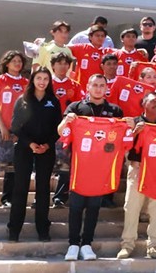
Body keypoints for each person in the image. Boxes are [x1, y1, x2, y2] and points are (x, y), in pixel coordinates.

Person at [58, 74, 128, 261]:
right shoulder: (76, 107)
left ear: (107, 88)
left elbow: (123, 137)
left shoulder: (115, 110)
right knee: (75, 206)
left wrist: (129, 126)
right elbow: (61, 132)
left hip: (102, 168)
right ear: (87, 87)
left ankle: (87, 244)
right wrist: (67, 121)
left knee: (94, 207)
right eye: (94, 85)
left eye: (102, 85)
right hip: (79, 165)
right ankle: (73, 244)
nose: (98, 88)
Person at [117, 92, 156, 259]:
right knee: (131, 207)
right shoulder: (133, 122)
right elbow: (121, 146)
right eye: (153, 101)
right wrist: (134, 133)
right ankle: (127, 244)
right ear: (143, 103)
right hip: (137, 170)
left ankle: (154, 245)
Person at [7, 68, 61, 242]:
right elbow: (15, 127)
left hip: (46, 149)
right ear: (32, 80)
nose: (42, 82)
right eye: (39, 78)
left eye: (46, 78)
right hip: (24, 148)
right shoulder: (23, 100)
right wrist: (30, 144)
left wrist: (47, 144)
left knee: (43, 189)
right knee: (20, 188)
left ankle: (43, 230)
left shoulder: (53, 101)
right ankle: (14, 230)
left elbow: (58, 129)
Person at [0, 50, 29, 208]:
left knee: (12, 165)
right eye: (14, 61)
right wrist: (3, 127)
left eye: (19, 61)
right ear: (7, 63)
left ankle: (7, 198)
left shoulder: (26, 83)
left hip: (16, 130)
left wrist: (19, 130)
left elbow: (27, 108)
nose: (17, 63)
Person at [49, 52, 83, 207]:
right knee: (45, 163)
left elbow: (80, 107)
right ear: (53, 65)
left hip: (67, 130)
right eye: (59, 62)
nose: (62, 66)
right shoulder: (45, 83)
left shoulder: (75, 86)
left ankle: (59, 197)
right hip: (47, 129)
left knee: (64, 165)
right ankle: (39, 197)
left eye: (66, 64)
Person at [69, 25, 115, 89]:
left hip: (99, 90)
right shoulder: (81, 48)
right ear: (90, 37)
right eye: (97, 35)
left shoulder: (108, 52)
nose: (100, 38)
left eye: (102, 36)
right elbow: (63, 48)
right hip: (82, 89)